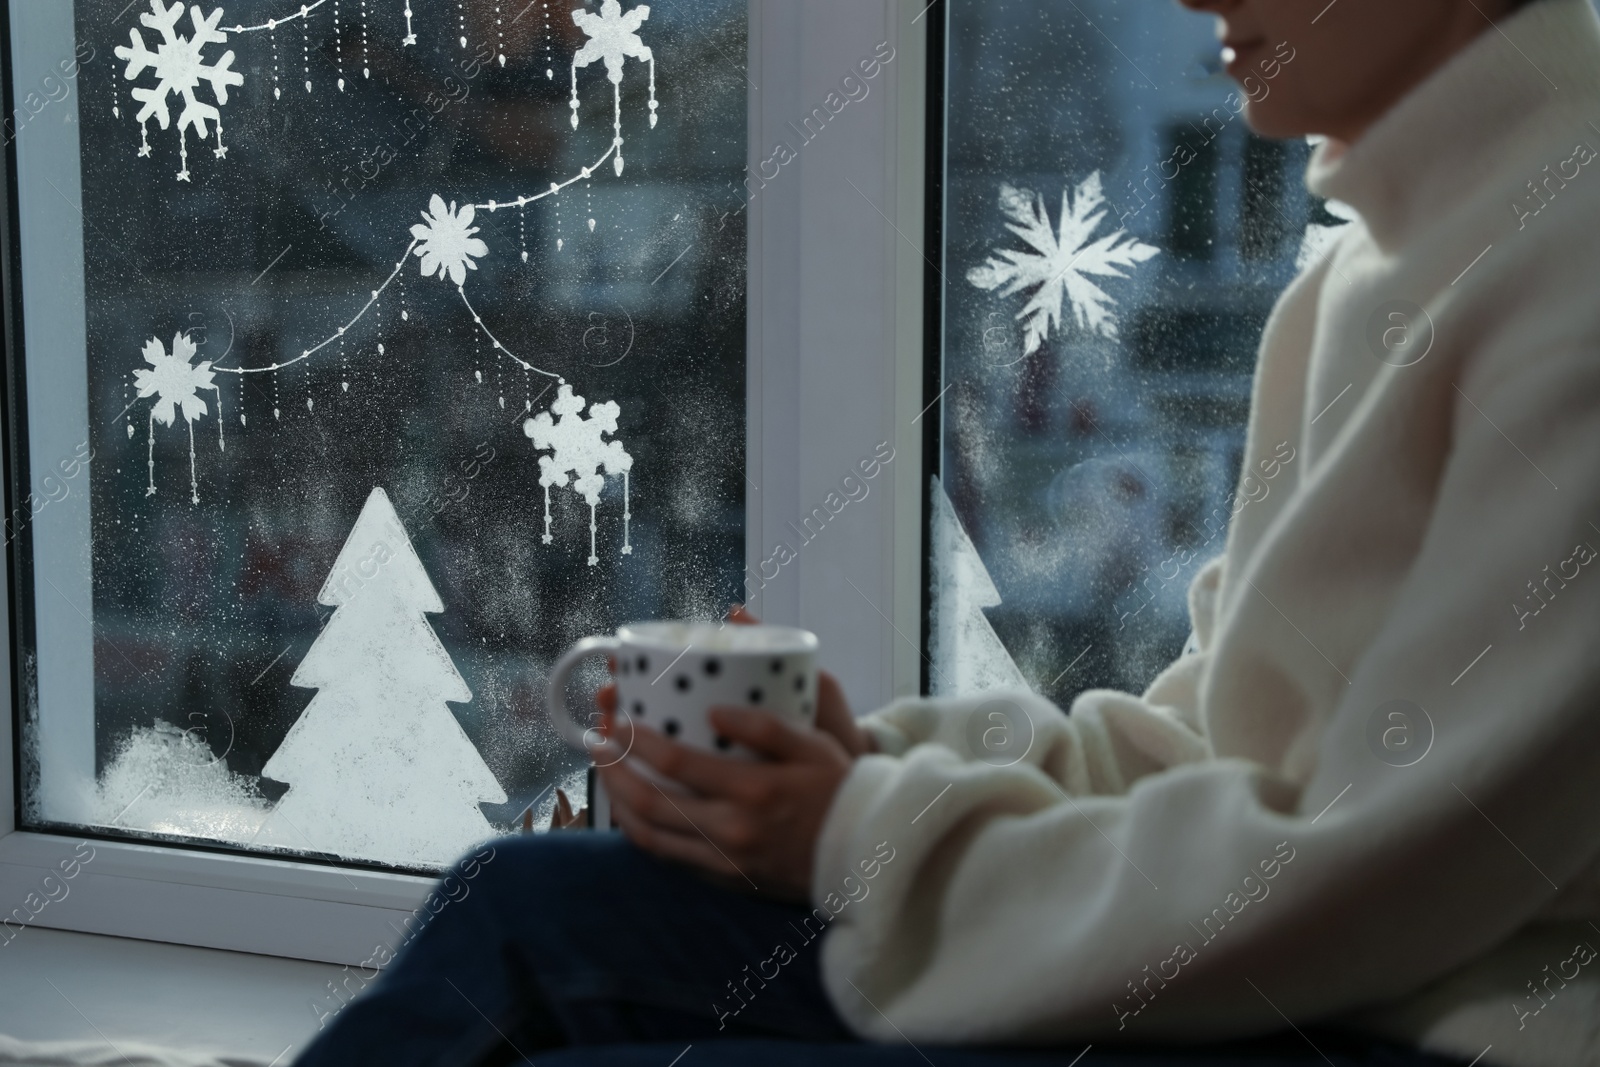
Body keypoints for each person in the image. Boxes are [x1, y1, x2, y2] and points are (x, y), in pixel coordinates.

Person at [297, 0, 1600, 1063]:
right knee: (511, 904)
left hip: (1419, 1027)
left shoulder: (1569, 274)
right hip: (1292, 973)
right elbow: (1223, 746)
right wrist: (858, 768)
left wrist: (854, 833)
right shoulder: (1353, 285)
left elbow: (1383, 868)